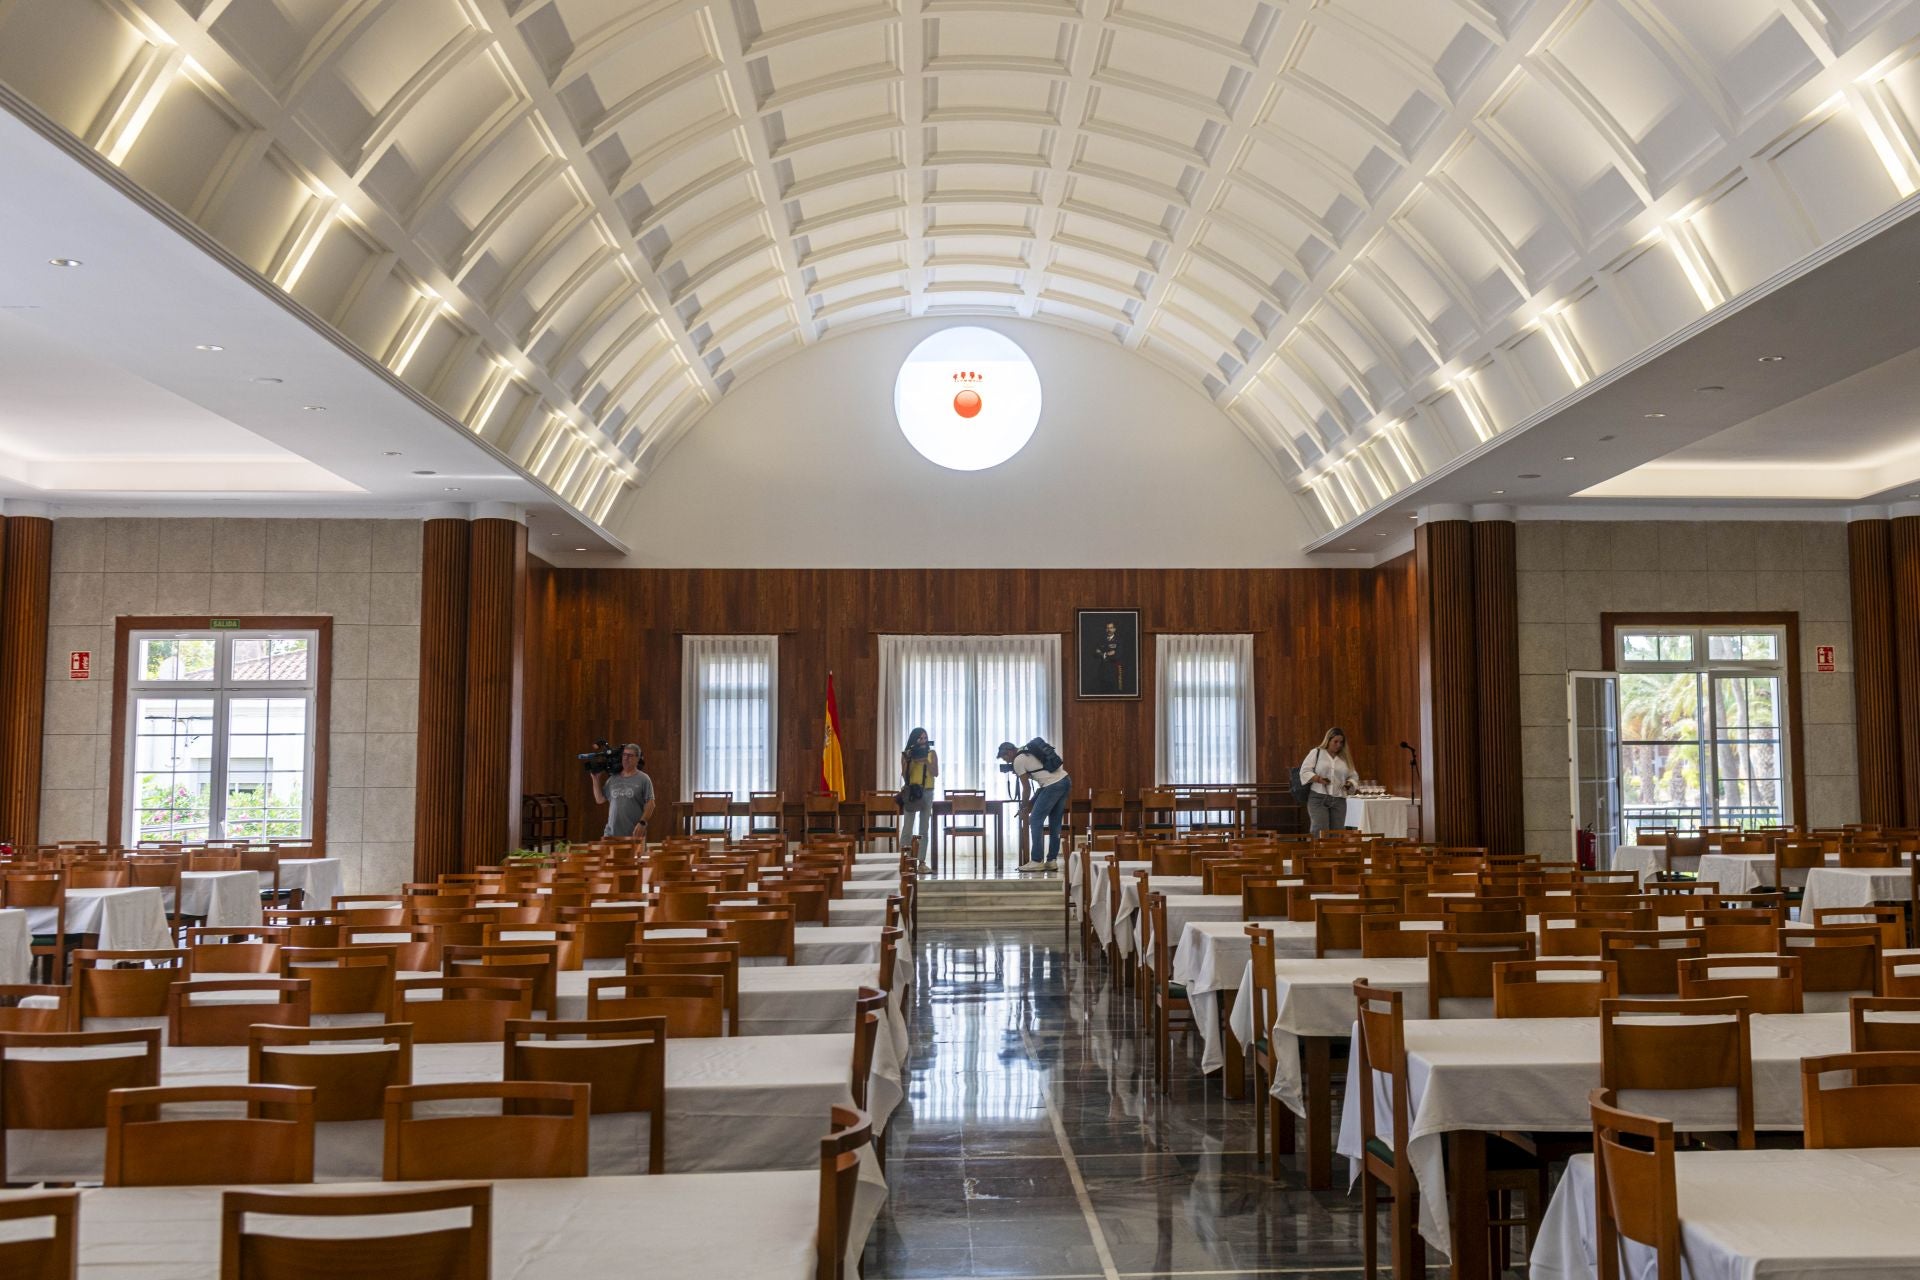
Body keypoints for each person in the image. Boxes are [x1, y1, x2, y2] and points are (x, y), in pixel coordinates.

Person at [998, 739, 1069, 872]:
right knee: (1055, 823)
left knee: (1035, 820)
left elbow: (1026, 788)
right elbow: (1041, 773)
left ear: (1009, 751)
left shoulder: (1018, 760)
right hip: (1065, 781)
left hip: (1052, 785)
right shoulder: (1027, 751)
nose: (1007, 762)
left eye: (1005, 758)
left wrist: (1024, 807)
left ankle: (1037, 860)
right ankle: (1051, 861)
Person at [1299, 727, 1358, 835]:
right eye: (1335, 741)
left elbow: (1354, 776)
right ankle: (1318, 847)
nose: (1338, 745)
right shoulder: (1316, 752)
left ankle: (1334, 847)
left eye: (1341, 742)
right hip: (1318, 797)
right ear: (1328, 740)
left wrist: (1349, 784)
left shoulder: (1345, 758)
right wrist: (1318, 779)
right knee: (1320, 830)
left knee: (1337, 832)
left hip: (1339, 799)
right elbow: (1304, 771)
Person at [591, 743, 654, 838]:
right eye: (624, 755)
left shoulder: (644, 779)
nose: (625, 758)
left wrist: (642, 822)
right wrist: (595, 779)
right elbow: (600, 799)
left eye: (630, 755)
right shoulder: (613, 778)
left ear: (637, 758)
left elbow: (651, 804)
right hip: (610, 834)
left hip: (633, 834)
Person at [899, 728, 938, 854]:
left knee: (924, 829)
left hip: (927, 791)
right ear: (914, 739)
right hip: (912, 792)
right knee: (907, 827)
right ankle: (905, 858)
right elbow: (905, 776)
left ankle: (921, 860)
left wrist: (926, 760)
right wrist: (910, 760)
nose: (923, 741)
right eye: (920, 738)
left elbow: (936, 773)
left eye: (925, 738)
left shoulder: (931, 753)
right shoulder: (907, 754)